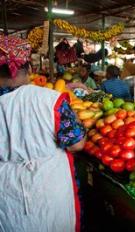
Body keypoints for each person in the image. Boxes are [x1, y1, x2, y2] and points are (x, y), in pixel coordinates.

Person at [0, 35, 85, 231]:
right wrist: (79, 122)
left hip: (6, 188)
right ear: (30, 68)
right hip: (48, 185)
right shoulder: (51, 100)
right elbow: (76, 144)